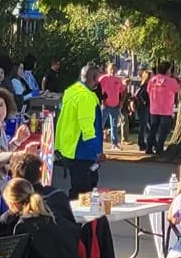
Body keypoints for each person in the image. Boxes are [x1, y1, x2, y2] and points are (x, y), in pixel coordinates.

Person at [53, 64, 103, 194]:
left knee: (79, 185)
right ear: (94, 78)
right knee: (84, 190)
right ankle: (74, 213)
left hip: (69, 147)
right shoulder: (86, 97)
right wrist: (96, 151)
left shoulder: (71, 91)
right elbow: (87, 127)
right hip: (82, 149)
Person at [145, 62, 180, 154]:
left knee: (153, 129)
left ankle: (149, 147)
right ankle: (159, 148)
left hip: (154, 108)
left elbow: (148, 90)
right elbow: (178, 89)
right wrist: (176, 78)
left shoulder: (153, 80)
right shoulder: (171, 81)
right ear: (168, 70)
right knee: (164, 130)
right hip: (166, 109)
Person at [97, 62, 126, 149]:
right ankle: (98, 143)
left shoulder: (118, 80)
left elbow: (122, 91)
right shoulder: (103, 79)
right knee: (100, 124)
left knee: (114, 125)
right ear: (107, 69)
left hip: (115, 104)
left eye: (114, 69)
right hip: (105, 105)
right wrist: (102, 101)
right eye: (111, 69)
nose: (113, 71)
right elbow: (98, 90)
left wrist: (121, 102)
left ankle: (114, 143)